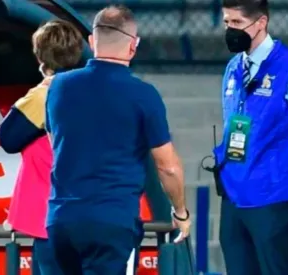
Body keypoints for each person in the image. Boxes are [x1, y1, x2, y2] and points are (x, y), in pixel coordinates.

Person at [44, 6, 190, 274]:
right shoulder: (144, 95)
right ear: (133, 47)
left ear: (91, 41)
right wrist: (180, 212)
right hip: (111, 222)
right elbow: (167, 166)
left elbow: (55, 142)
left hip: (61, 219)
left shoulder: (57, 87)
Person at [213, 0, 288, 274]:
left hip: (273, 196)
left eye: (237, 23)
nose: (230, 29)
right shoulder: (232, 68)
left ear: (261, 23)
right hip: (233, 194)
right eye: (227, 22)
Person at [0, 19, 83, 275]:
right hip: (89, 212)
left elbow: (9, 138)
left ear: (39, 57)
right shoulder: (92, 90)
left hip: (53, 217)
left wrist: (38, 92)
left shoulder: (44, 96)